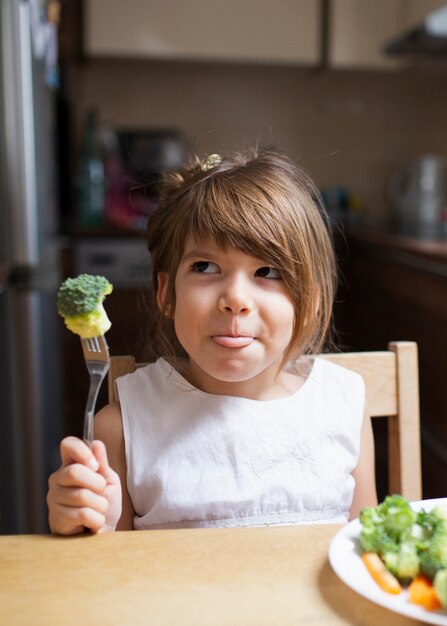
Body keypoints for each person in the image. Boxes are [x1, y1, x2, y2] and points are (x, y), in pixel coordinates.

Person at [47, 148, 378, 535]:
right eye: (205, 267)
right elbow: (103, 574)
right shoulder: (121, 429)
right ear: (166, 294)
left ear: (311, 302)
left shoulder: (343, 404)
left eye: (267, 271)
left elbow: (364, 550)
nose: (235, 299)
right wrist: (83, 522)